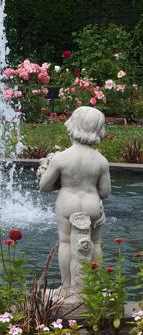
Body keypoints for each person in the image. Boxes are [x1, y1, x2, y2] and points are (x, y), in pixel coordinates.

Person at [39, 106, 111, 288]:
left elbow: (44, 186)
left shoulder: (61, 158)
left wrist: (57, 181)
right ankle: (92, 286)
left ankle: (66, 287)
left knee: (65, 243)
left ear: (73, 126)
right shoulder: (101, 161)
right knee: (95, 243)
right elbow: (105, 192)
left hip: (67, 203)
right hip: (91, 204)